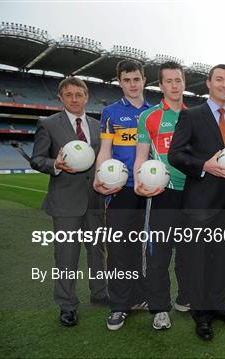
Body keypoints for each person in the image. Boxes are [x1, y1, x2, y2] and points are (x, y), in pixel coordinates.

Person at [168, 64, 225, 341]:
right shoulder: (191, 116)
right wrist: (204, 166)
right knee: (198, 260)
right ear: (209, 83)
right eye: (220, 80)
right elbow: (175, 155)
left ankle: (221, 307)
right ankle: (200, 315)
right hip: (199, 202)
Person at [30, 77, 107, 327]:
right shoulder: (48, 124)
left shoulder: (97, 126)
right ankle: (67, 304)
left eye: (79, 94)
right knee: (66, 255)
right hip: (65, 202)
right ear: (61, 98)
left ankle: (100, 294)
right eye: (69, 95)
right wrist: (55, 165)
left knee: (98, 252)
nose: (75, 99)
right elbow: (37, 159)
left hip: (94, 200)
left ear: (87, 96)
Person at [93, 60, 152, 330]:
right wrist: (98, 177)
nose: (132, 84)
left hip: (152, 190)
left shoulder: (155, 113)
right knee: (119, 249)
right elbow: (105, 150)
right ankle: (119, 305)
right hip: (120, 190)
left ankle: (139, 297)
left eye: (136, 79)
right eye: (126, 80)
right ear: (120, 81)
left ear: (144, 80)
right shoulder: (110, 112)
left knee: (145, 248)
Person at [133, 61, 190, 330]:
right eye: (169, 81)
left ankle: (186, 297)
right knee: (159, 254)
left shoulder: (198, 115)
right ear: (161, 85)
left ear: (184, 83)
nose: (174, 85)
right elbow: (141, 157)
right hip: (162, 193)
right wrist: (138, 183)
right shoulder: (149, 117)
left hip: (192, 194)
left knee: (189, 251)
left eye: (178, 80)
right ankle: (159, 308)